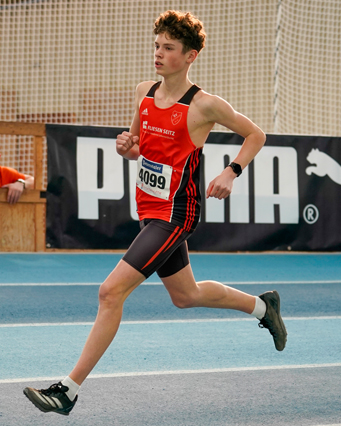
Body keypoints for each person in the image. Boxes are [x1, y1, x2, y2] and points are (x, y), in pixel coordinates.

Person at [23, 10, 287, 416]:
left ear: (191, 56)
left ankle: (68, 391)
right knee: (186, 295)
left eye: (169, 48)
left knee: (110, 292)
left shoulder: (204, 105)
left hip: (177, 213)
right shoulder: (144, 92)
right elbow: (138, 148)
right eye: (157, 46)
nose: (158, 54)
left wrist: (231, 171)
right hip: (148, 209)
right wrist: (126, 146)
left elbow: (257, 134)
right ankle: (262, 306)